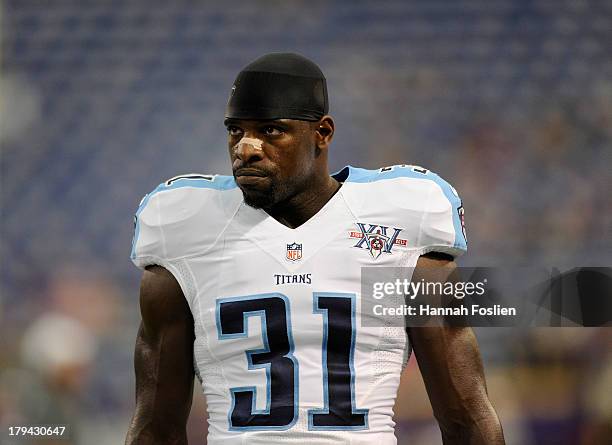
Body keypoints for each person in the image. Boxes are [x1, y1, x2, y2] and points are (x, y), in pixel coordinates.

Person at [125, 53, 505, 445]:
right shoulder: (186, 230)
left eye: (271, 130)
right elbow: (155, 427)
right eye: (236, 131)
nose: (247, 148)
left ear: (322, 133)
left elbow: (466, 417)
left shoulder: (402, 226)